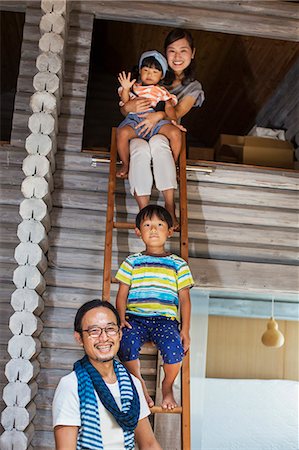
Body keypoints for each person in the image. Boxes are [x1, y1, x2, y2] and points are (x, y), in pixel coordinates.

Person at [121, 28, 205, 230]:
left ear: (192, 53)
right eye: (171, 50)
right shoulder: (149, 76)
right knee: (139, 149)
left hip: (162, 133)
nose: (177, 56)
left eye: (183, 50)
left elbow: (176, 111)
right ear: (164, 53)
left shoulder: (192, 87)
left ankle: (170, 205)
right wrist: (127, 107)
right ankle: (144, 213)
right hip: (139, 129)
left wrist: (158, 115)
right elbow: (127, 109)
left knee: (159, 144)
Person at [52, 299, 162, 450]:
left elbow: (149, 444)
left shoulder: (132, 384)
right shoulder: (71, 385)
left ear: (120, 334)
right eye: (94, 331)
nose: (104, 338)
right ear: (79, 338)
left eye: (110, 329)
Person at [115, 205, 194, 410]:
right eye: (147, 225)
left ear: (169, 231)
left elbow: (184, 299)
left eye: (159, 225)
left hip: (165, 320)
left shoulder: (178, 264)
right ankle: (138, 384)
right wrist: (121, 319)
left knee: (175, 348)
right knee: (125, 343)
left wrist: (185, 330)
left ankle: (167, 386)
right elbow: (122, 293)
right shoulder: (132, 261)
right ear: (138, 232)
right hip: (135, 318)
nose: (153, 229)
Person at [116, 50, 182, 180]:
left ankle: (173, 164)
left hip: (157, 122)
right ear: (140, 71)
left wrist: (173, 121)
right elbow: (125, 102)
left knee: (175, 133)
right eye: (146, 70)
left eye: (155, 72)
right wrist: (125, 88)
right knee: (122, 133)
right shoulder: (134, 87)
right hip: (135, 120)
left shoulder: (162, 91)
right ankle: (125, 164)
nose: (149, 74)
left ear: (162, 75)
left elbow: (169, 108)